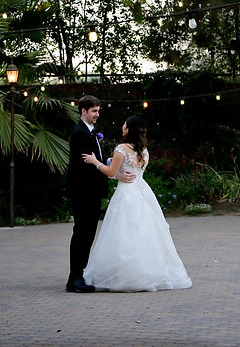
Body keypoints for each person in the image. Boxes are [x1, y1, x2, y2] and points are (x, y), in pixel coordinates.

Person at [82, 115, 192, 292]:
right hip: (142, 191)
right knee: (147, 230)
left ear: (128, 129)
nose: (122, 127)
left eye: (124, 125)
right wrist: (118, 173)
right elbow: (130, 171)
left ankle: (126, 274)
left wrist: (95, 162)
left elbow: (110, 171)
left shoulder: (121, 149)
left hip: (127, 192)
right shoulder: (144, 150)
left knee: (123, 231)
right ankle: (150, 271)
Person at [66, 95, 134, 294]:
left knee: (87, 234)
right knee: (81, 233)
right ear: (83, 111)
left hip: (92, 192)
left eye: (98, 111)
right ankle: (74, 278)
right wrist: (112, 173)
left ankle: (81, 274)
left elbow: (97, 162)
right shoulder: (80, 133)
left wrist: (112, 171)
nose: (97, 115)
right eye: (94, 111)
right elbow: (85, 167)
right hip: (83, 191)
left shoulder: (90, 132)